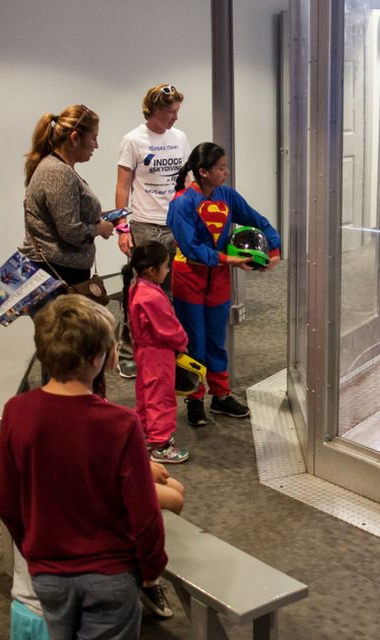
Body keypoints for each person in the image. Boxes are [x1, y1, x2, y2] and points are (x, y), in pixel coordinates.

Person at [0, 294, 168, 639]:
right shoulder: (121, 423)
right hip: (111, 575)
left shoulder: (17, 411)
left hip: (48, 574)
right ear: (96, 358)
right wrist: (151, 568)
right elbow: (145, 513)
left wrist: (33, 551)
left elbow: (7, 502)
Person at [168, 142, 282, 427]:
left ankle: (220, 395)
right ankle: (195, 399)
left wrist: (274, 249)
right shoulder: (182, 202)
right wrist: (230, 260)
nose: (227, 172)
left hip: (218, 280)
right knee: (194, 342)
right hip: (189, 279)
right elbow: (192, 249)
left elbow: (258, 221)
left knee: (217, 341)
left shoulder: (227, 196)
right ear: (204, 172)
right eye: (221, 168)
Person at [113, 84, 191, 379]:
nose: (175, 117)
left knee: (170, 291)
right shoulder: (133, 140)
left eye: (177, 111)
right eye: (170, 111)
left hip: (174, 224)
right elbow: (122, 187)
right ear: (154, 110)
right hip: (144, 225)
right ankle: (128, 351)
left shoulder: (179, 138)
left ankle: (164, 346)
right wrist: (122, 228)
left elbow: (183, 181)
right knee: (140, 292)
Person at [20, 104, 114, 286]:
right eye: (94, 138)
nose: (96, 145)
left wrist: (97, 218)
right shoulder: (57, 172)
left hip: (63, 270)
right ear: (75, 138)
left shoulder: (59, 168)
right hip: (59, 273)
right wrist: (99, 229)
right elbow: (70, 230)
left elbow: (65, 217)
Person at [123, 241, 190, 463]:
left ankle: (144, 434)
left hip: (143, 352)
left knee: (145, 393)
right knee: (161, 396)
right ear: (152, 270)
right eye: (165, 266)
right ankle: (160, 445)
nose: (168, 270)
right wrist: (182, 342)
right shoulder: (151, 296)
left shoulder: (137, 287)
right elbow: (168, 327)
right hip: (158, 354)